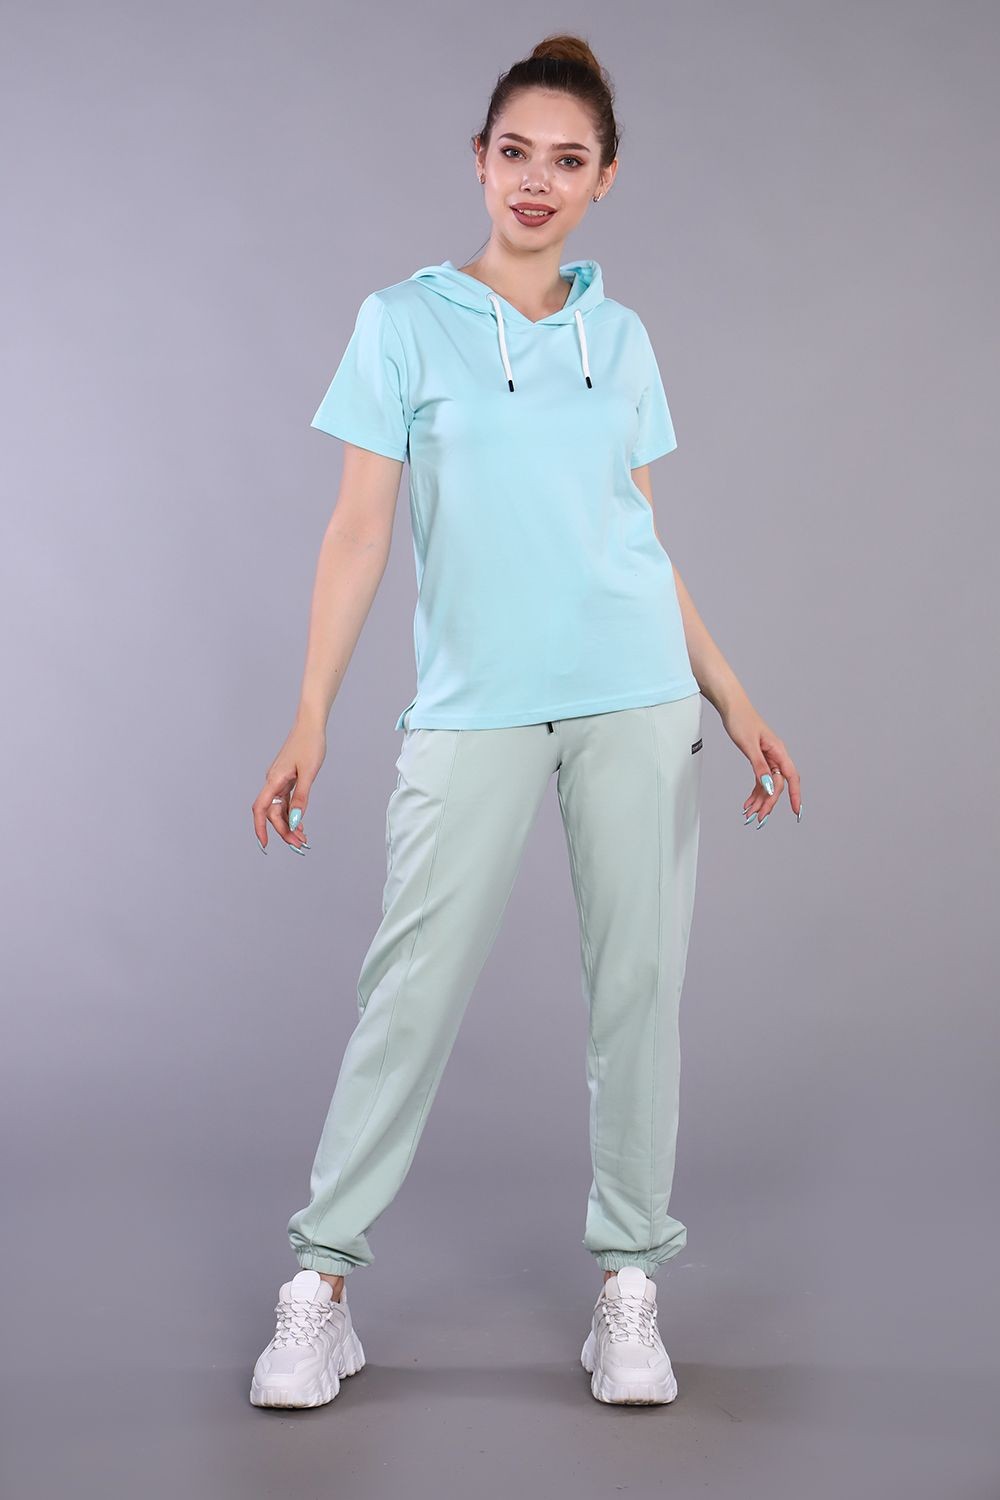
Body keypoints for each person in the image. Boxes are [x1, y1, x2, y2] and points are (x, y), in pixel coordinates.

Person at [248, 32, 803, 1411]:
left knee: (639, 994)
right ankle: (320, 1287)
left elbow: (637, 538)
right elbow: (357, 533)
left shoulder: (624, 338)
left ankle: (630, 1286)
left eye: (568, 159)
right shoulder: (402, 321)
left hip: (634, 695)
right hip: (474, 709)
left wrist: (732, 695)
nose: (537, 180)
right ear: (480, 161)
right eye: (516, 153)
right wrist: (310, 714)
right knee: (411, 990)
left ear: (606, 179)